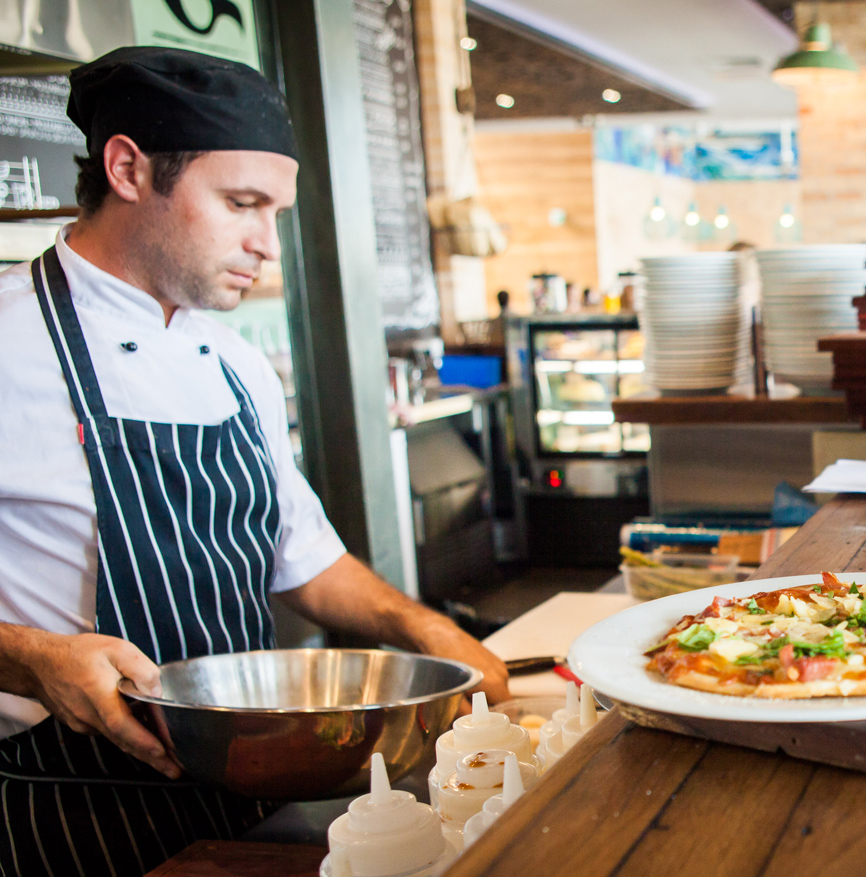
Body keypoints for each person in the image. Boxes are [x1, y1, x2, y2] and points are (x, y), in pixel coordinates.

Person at [0, 47, 509, 876]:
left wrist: (434, 633)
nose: (267, 244)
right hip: (72, 812)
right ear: (128, 167)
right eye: (242, 203)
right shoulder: (6, 339)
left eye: (276, 211)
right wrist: (30, 654)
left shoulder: (234, 361)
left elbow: (304, 560)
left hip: (252, 800)